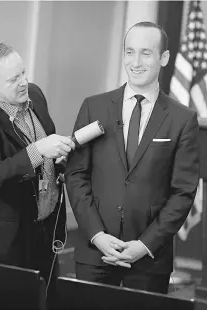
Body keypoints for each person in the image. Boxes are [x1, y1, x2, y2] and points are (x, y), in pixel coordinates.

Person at [65, 22, 200, 294]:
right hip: (95, 254)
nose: (135, 62)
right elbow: (76, 174)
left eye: (146, 53)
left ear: (163, 58)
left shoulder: (182, 119)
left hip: (150, 259)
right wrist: (97, 235)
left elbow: (183, 192)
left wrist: (145, 244)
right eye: (129, 52)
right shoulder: (94, 106)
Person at [0, 41, 75, 306]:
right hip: (7, 240)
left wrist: (57, 159)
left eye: (23, 73)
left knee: (46, 300)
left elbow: (45, 154)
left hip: (45, 227)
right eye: (13, 79)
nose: (23, 83)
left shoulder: (35, 95)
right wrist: (38, 150)